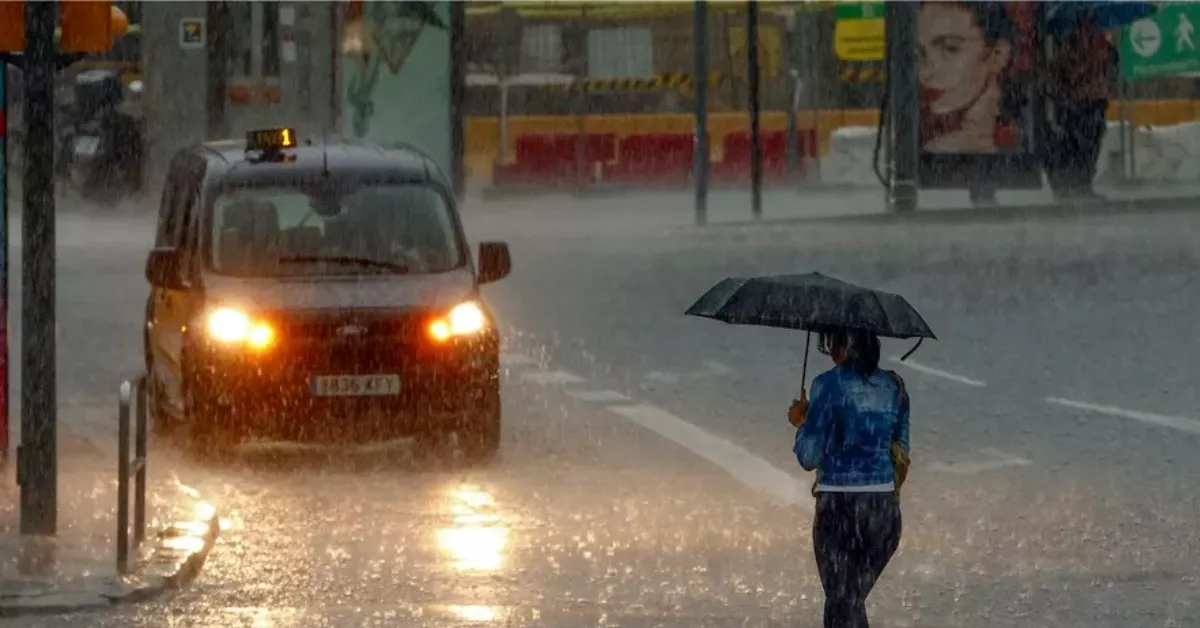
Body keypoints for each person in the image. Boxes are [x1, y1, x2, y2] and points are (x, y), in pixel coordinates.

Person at [788, 328, 909, 628]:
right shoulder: (895, 386)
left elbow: (809, 456)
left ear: (843, 348)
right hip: (883, 515)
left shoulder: (828, 385)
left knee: (842, 604)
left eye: (830, 343)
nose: (829, 352)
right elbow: (901, 448)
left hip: (839, 511)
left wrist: (802, 423)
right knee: (847, 603)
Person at [1045, 14, 1116, 200]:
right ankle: (1076, 185)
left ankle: (1081, 184)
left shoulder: (1100, 45)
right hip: (1080, 103)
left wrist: (1106, 53)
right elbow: (1062, 74)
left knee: (1089, 145)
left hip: (1092, 102)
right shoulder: (1072, 46)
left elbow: (1110, 68)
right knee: (1080, 146)